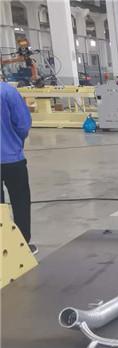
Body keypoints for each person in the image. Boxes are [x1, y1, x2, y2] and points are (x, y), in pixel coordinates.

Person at [0, 81, 35, 254]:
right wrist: (15, 141)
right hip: (11, 158)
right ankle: (21, 245)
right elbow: (22, 125)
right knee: (20, 201)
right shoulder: (7, 91)